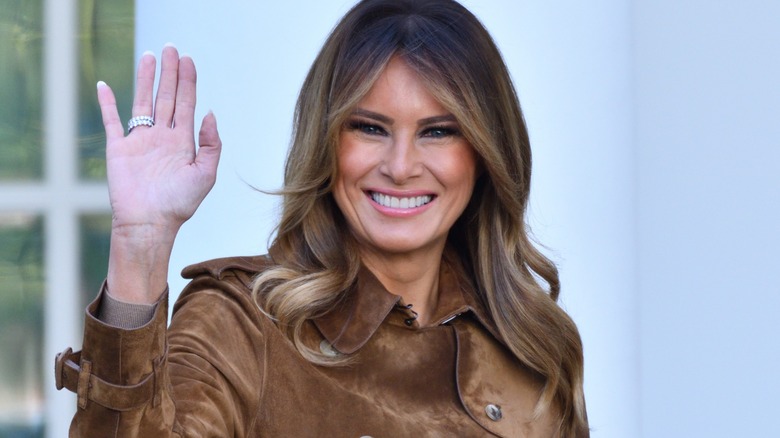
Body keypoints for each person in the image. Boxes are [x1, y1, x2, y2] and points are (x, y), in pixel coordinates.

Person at [54, 0, 589, 436]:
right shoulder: (243, 321)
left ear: (485, 151)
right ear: (326, 143)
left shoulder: (533, 344)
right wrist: (140, 245)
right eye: (369, 128)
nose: (400, 167)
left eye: (438, 131)